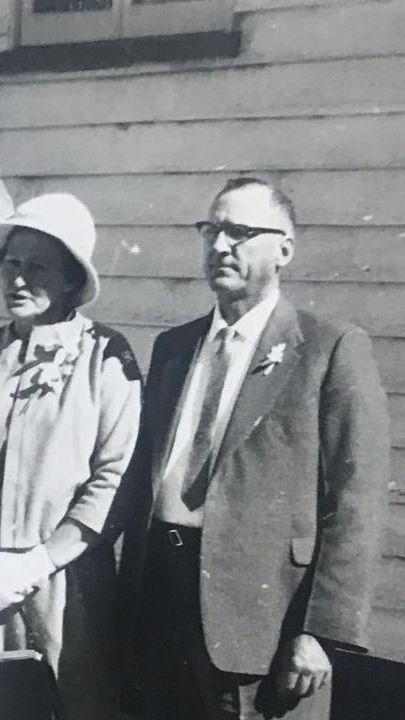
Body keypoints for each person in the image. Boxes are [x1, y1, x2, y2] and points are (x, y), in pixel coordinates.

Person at [117, 177, 390, 720]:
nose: (219, 246)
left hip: (259, 625)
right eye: (211, 230)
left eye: (239, 232)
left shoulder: (329, 348)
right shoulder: (173, 348)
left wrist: (321, 632)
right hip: (158, 603)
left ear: (285, 249)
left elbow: (356, 502)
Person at [0, 193, 143, 720]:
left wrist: (41, 560)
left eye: (37, 267)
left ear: (70, 279)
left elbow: (116, 479)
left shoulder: (105, 357)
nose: (17, 279)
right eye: (11, 264)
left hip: (67, 596)